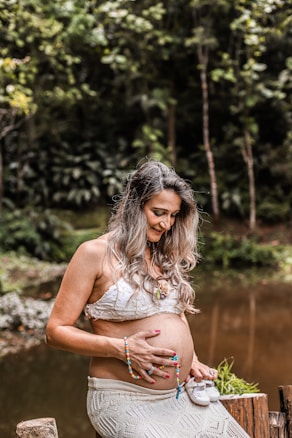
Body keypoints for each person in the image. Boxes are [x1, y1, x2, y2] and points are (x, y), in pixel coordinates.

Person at [46, 159, 249, 437]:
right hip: (124, 399)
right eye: (159, 212)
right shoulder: (93, 254)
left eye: (174, 215)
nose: (167, 224)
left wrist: (192, 360)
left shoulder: (162, 254)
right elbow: (55, 331)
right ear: (134, 206)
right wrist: (122, 348)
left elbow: (173, 313)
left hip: (180, 397)